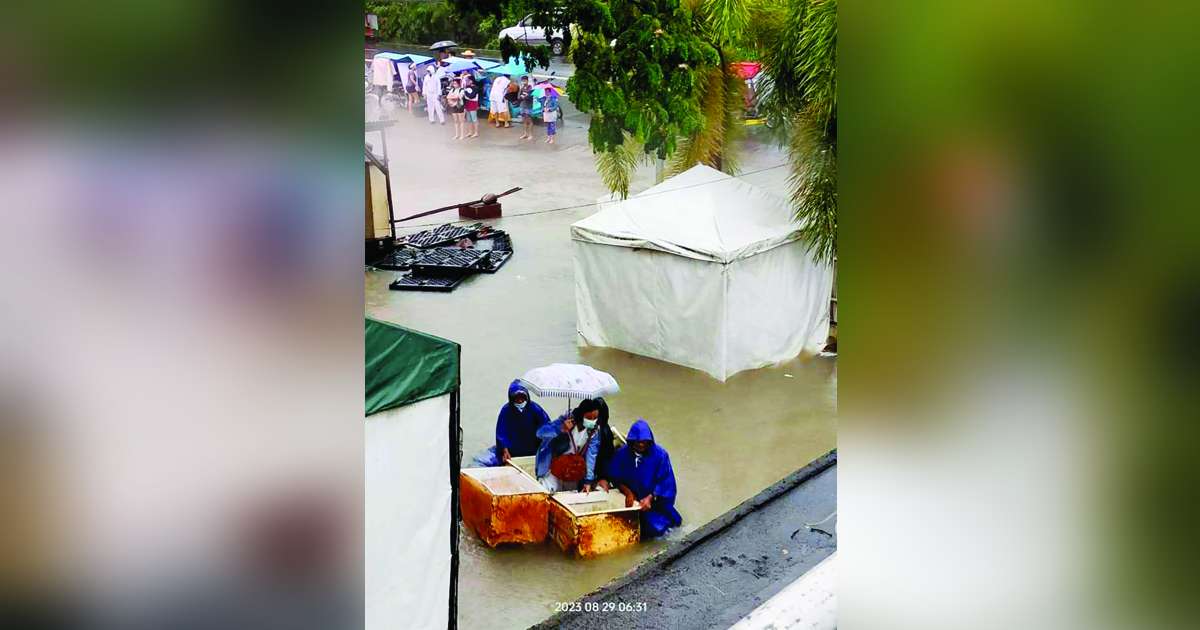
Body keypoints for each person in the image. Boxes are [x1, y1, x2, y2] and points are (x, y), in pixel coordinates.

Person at [607, 418, 682, 538]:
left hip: (654, 503)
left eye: (644, 441)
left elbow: (666, 483)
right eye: (638, 441)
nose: (641, 444)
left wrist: (650, 497)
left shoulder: (660, 455)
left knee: (659, 529)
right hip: (631, 501)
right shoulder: (621, 454)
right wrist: (628, 493)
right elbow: (615, 478)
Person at [471, 380, 550, 467]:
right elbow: (501, 433)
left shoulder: (535, 409)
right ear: (511, 398)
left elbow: (546, 427)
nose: (520, 401)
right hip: (512, 451)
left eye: (522, 397)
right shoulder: (506, 410)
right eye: (517, 398)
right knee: (479, 462)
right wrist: (504, 449)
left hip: (533, 451)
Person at [535, 399, 603, 493]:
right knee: (546, 493)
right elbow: (540, 433)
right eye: (588, 417)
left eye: (595, 418)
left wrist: (588, 481)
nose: (592, 421)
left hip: (572, 471)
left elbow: (591, 456)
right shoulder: (566, 420)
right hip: (554, 468)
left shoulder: (594, 431)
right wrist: (560, 429)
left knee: (570, 497)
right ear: (581, 415)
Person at [517, 76, 535, 141]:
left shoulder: (530, 88)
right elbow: (518, 97)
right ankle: (525, 133)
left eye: (525, 80)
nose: (523, 82)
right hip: (522, 106)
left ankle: (530, 134)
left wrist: (526, 96)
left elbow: (530, 97)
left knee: (529, 120)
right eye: (522, 80)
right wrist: (521, 95)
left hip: (528, 106)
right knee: (524, 120)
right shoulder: (522, 88)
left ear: (527, 81)